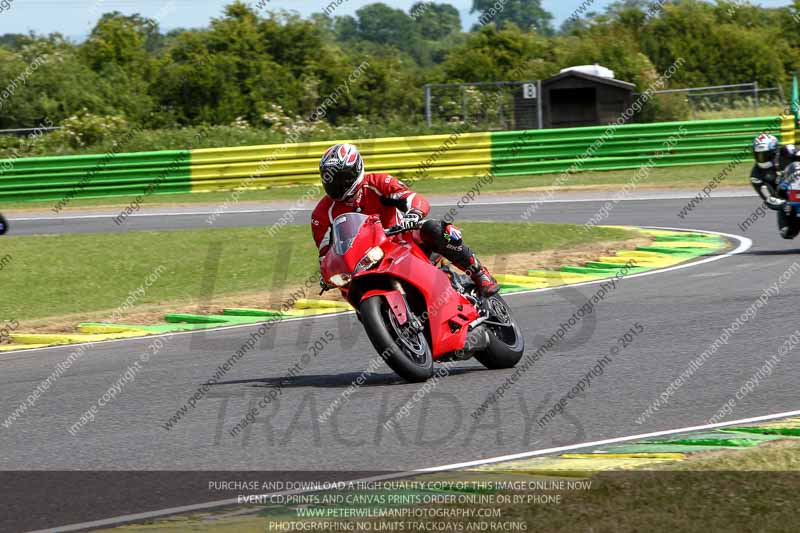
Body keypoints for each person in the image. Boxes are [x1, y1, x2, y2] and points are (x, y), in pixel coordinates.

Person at [311, 143, 499, 296]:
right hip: (364, 261)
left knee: (434, 228)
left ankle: (479, 273)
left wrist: (413, 214)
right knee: (351, 291)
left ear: (356, 170)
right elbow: (325, 254)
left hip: (402, 240)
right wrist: (327, 274)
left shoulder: (378, 182)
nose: (337, 185)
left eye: (342, 178)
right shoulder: (321, 214)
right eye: (330, 180)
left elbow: (414, 198)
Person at [749, 133, 800, 238]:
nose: (761, 158)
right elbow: (769, 198)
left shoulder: (788, 150)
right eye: (758, 155)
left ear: (775, 151)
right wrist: (785, 204)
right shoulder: (756, 175)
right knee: (786, 232)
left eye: (765, 155)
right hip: (788, 200)